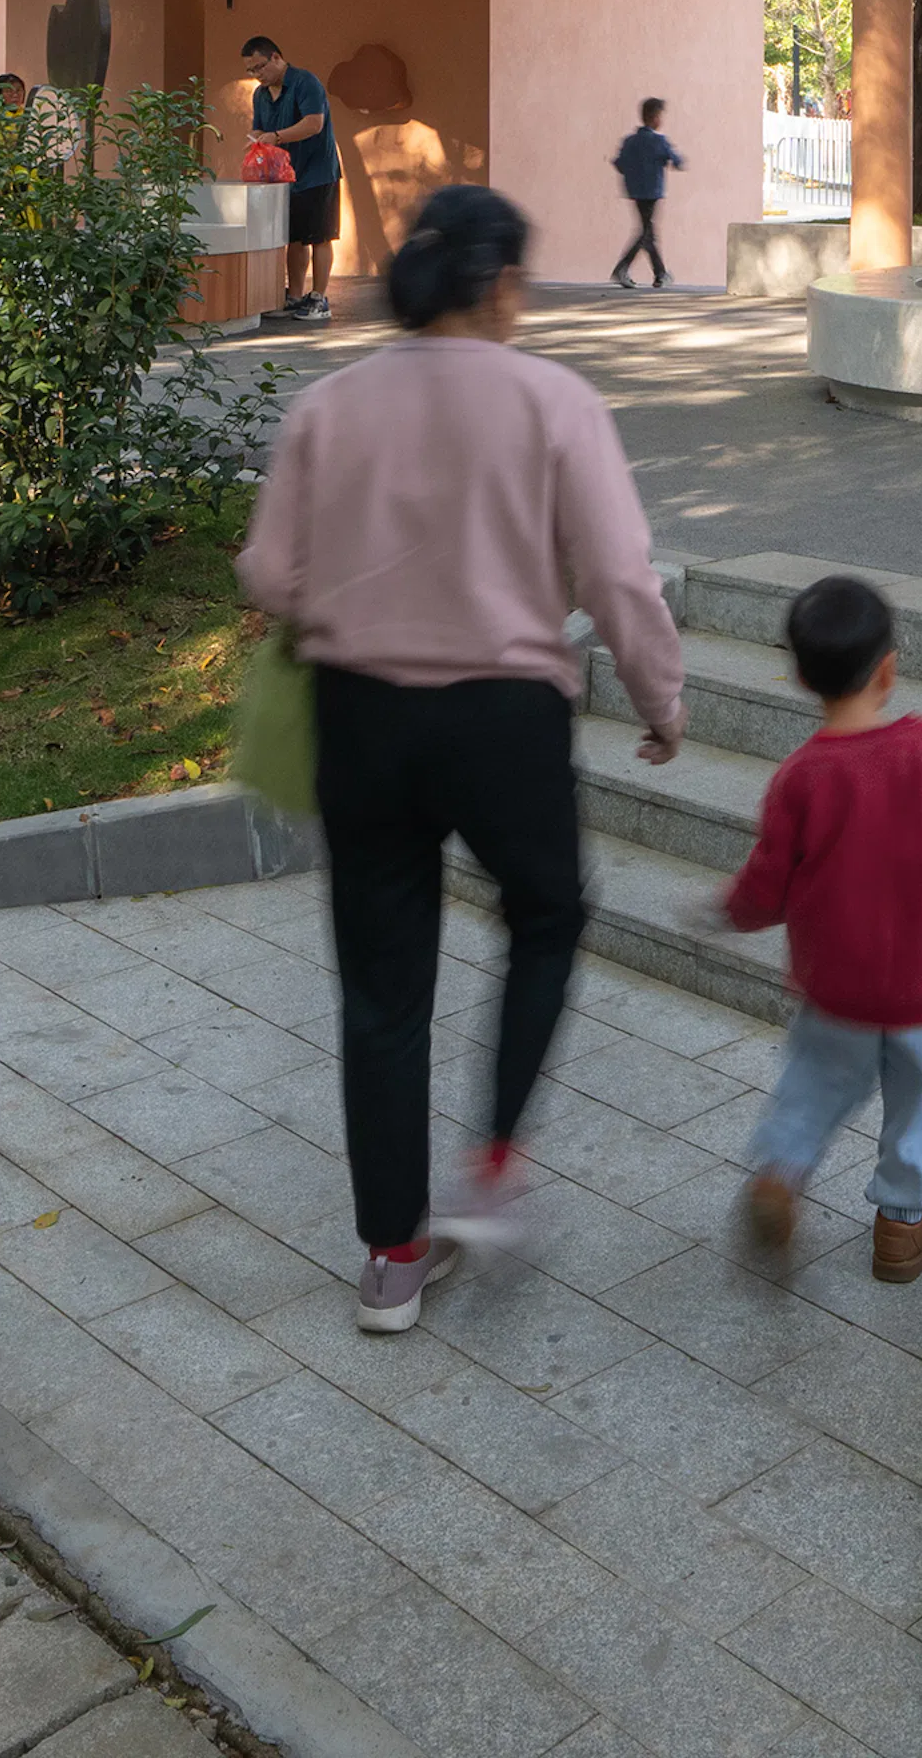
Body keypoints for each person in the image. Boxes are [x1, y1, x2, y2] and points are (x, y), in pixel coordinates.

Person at [236, 181, 687, 1334]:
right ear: (499, 285)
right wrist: (661, 699)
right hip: (504, 719)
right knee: (546, 914)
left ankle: (391, 1258)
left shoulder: (327, 408)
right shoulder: (554, 401)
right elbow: (618, 577)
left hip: (361, 719)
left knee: (382, 989)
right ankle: (492, 1163)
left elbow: (270, 576)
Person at [722, 570, 922, 1284]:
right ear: (890, 669)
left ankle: (780, 1171)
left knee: (811, 1084)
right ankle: (903, 1223)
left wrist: (732, 911)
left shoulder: (800, 778)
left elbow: (767, 882)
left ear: (802, 677)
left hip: (834, 985)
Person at [243, 32, 340, 325]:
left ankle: (319, 297)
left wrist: (277, 136)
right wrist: (259, 139)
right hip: (284, 176)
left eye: (260, 67)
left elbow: (314, 123)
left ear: (276, 57)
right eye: (251, 71)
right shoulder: (260, 95)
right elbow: (260, 129)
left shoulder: (305, 82)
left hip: (318, 171)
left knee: (320, 236)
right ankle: (294, 296)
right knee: (294, 238)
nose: (257, 75)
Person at [608, 94, 684, 290]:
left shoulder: (630, 141)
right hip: (652, 192)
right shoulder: (660, 141)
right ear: (654, 117)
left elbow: (619, 163)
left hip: (634, 191)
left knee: (648, 232)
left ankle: (660, 274)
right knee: (646, 233)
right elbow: (676, 160)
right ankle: (622, 268)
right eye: (660, 116)